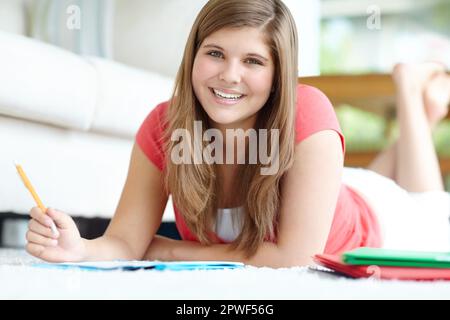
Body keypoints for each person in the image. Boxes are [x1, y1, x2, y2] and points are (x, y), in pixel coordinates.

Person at [24, 0, 450, 267]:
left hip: (380, 219)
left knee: (431, 207)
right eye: (214, 54)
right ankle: (424, 112)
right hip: (334, 188)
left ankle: (410, 92)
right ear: (193, 56)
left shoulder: (308, 111)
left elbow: (296, 259)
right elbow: (124, 242)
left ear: (279, 74)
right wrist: (80, 248)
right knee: (364, 182)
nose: (229, 76)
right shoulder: (164, 126)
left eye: (253, 61)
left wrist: (169, 249)